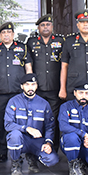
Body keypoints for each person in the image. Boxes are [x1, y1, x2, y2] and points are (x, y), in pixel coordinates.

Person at [0, 22, 31, 161]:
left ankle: (21, 152)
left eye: (9, 32)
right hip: (0, 91)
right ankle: (2, 152)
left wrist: (29, 87)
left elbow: (28, 68)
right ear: (0, 35)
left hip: (18, 92)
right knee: (1, 121)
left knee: (20, 121)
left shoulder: (22, 47)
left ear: (13, 34)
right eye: (3, 33)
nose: (6, 35)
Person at [4, 73, 59, 175]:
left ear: (37, 85)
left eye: (33, 84)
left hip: (37, 141)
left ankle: (32, 157)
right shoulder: (13, 102)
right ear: (22, 86)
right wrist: (26, 128)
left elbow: (50, 127)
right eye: (27, 85)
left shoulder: (44, 104)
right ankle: (16, 164)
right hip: (21, 138)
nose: (30, 88)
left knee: (52, 159)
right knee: (14, 135)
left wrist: (48, 143)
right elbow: (8, 124)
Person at [26, 14, 64, 148]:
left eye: (48, 24)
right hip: (38, 88)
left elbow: (65, 64)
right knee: (37, 119)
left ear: (52, 26)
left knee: (53, 119)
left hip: (55, 88)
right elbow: (28, 64)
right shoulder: (31, 42)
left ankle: (53, 147)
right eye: (42, 25)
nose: (45, 27)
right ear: (38, 28)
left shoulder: (60, 41)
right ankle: (37, 147)